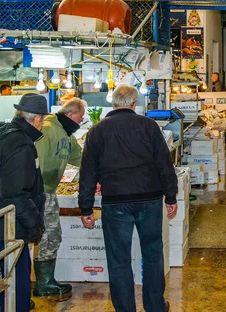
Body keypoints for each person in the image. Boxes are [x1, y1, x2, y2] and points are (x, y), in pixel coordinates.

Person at [78, 85, 178, 312]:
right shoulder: (149, 126)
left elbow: (88, 173)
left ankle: (125, 309)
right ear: (134, 104)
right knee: (153, 255)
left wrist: (85, 208)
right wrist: (170, 196)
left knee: (119, 259)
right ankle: (155, 306)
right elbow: (165, 164)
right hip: (150, 200)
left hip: (115, 202)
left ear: (112, 104)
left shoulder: (97, 131)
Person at [0, 94, 49, 311]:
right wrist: (35, 224)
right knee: (17, 274)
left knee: (13, 271)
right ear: (36, 118)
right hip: (10, 221)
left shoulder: (6, 134)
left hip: (1, 216)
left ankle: (12, 305)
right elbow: (15, 193)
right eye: (42, 119)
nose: (43, 123)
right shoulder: (21, 144)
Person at [33, 98, 86, 299]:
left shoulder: (67, 134)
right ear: (71, 114)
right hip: (38, 192)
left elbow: (80, 158)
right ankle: (43, 283)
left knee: (52, 236)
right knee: (48, 235)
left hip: (50, 192)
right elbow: (34, 162)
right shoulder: (47, 129)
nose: (81, 121)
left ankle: (46, 281)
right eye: (80, 117)